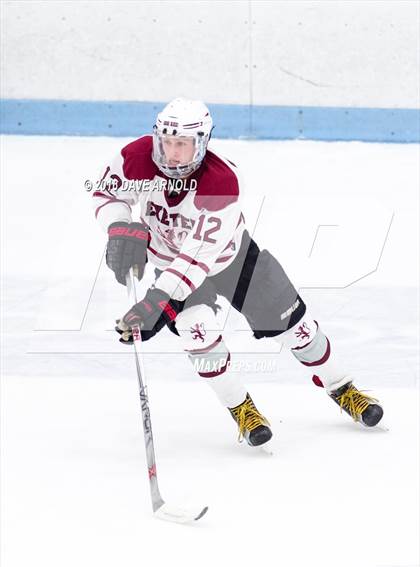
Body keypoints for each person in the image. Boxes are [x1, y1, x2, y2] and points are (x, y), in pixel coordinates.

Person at [93, 97, 384, 447]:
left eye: (182, 145)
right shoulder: (136, 157)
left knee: (298, 330)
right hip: (173, 266)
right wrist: (120, 226)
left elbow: (196, 258)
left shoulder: (222, 181)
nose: (171, 153)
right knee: (194, 332)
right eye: (167, 142)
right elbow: (107, 193)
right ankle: (242, 409)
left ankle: (343, 387)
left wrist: (158, 300)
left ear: (201, 145)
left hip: (233, 261)